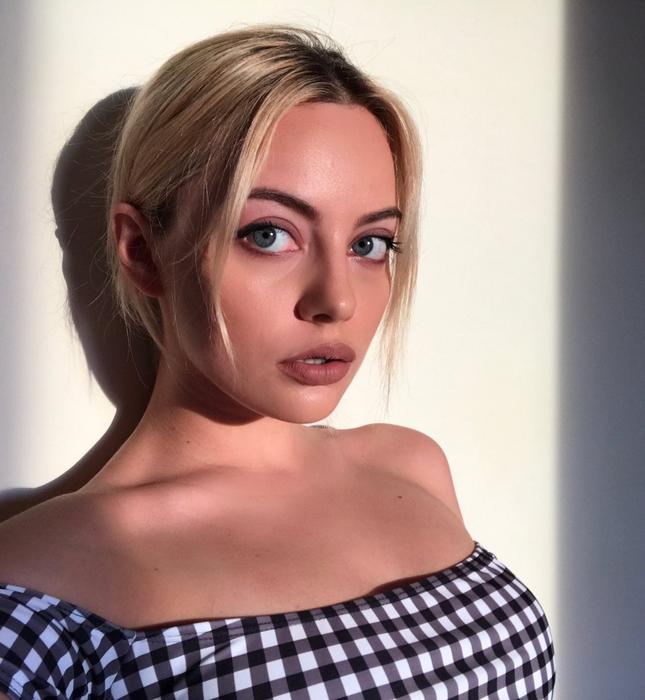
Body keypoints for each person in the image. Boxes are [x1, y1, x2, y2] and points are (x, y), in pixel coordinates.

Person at [0, 25, 555, 699]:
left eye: (370, 244)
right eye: (268, 234)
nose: (336, 300)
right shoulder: (36, 591)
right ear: (142, 251)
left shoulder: (412, 465)